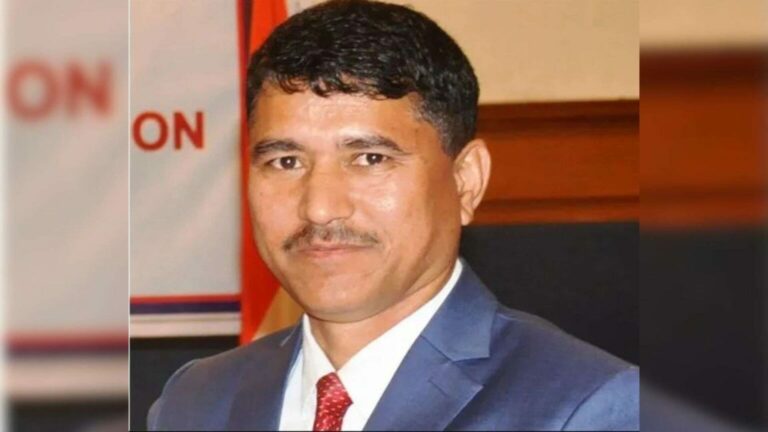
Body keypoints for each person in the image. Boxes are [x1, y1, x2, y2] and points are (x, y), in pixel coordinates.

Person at [147, 0, 639, 430]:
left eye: (369, 158)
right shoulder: (195, 401)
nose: (319, 207)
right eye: (286, 162)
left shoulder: (584, 407)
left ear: (466, 180)